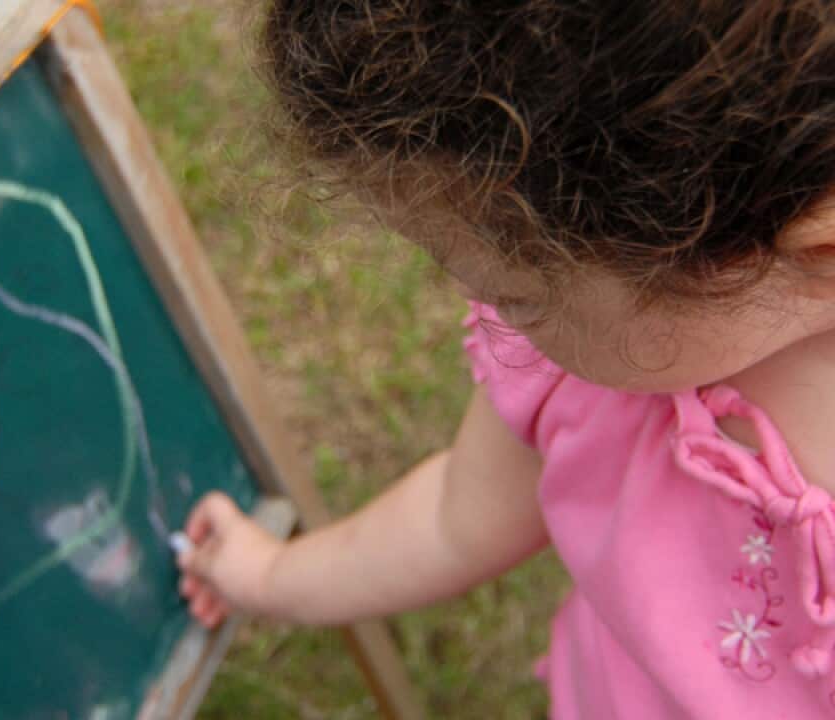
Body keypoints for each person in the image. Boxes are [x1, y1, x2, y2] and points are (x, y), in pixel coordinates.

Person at [176, 2, 835, 716]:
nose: (473, 298)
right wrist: (271, 575)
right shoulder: (601, 356)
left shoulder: (630, 343)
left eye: (515, 294)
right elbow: (455, 518)